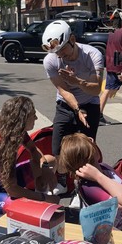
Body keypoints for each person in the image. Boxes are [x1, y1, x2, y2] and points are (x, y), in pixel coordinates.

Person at [0, 96, 61, 214]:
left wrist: (46, 168)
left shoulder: (16, 131)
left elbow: (33, 149)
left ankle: (40, 204)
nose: (36, 117)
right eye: (33, 114)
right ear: (23, 119)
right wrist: (44, 199)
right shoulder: (2, 143)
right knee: (26, 207)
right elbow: (12, 190)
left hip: (1, 183)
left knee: (49, 160)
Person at [42, 20, 104, 167]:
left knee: (86, 149)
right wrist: (77, 109)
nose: (60, 55)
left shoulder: (92, 55)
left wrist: (77, 81)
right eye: (56, 52)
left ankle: (86, 183)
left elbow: (96, 89)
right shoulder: (50, 60)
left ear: (73, 40)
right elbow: (63, 90)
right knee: (57, 148)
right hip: (65, 105)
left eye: (62, 50)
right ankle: (63, 182)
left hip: (90, 104)